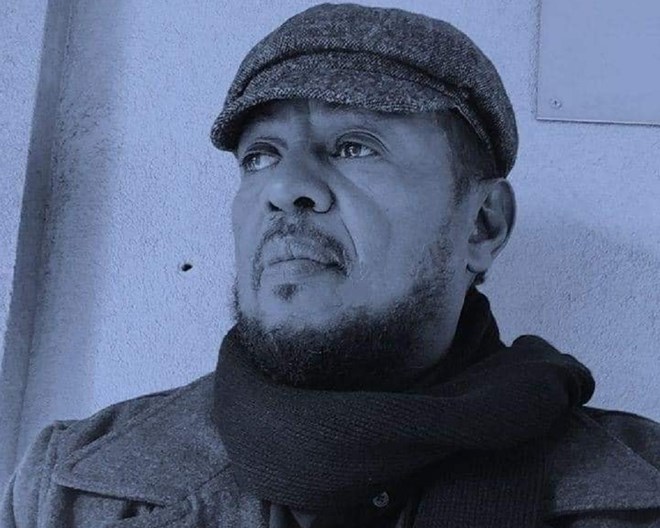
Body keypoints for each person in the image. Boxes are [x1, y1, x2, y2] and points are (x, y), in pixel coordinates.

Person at [2, 3, 659, 527]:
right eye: (260, 155)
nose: (286, 186)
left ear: (482, 225)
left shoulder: (644, 488)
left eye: (354, 146)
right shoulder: (64, 489)